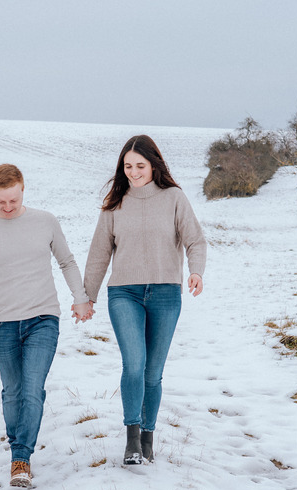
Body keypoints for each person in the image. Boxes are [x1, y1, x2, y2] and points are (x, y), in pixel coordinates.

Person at [0, 163, 93, 488]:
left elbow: (67, 261)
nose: (7, 207)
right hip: (3, 324)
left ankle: (21, 458)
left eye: (13, 201)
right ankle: (19, 444)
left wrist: (80, 297)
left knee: (32, 389)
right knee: (12, 392)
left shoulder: (45, 222)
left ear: (23, 190)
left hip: (43, 319)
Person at [82, 135, 207, 466]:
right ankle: (132, 440)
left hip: (166, 293)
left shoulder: (174, 198)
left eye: (140, 166)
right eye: (128, 166)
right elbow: (99, 253)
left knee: (153, 372)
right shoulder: (115, 203)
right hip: (124, 293)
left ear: (154, 165)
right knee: (134, 364)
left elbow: (195, 241)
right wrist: (87, 296)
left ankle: (148, 437)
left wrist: (196, 272)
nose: (134, 173)